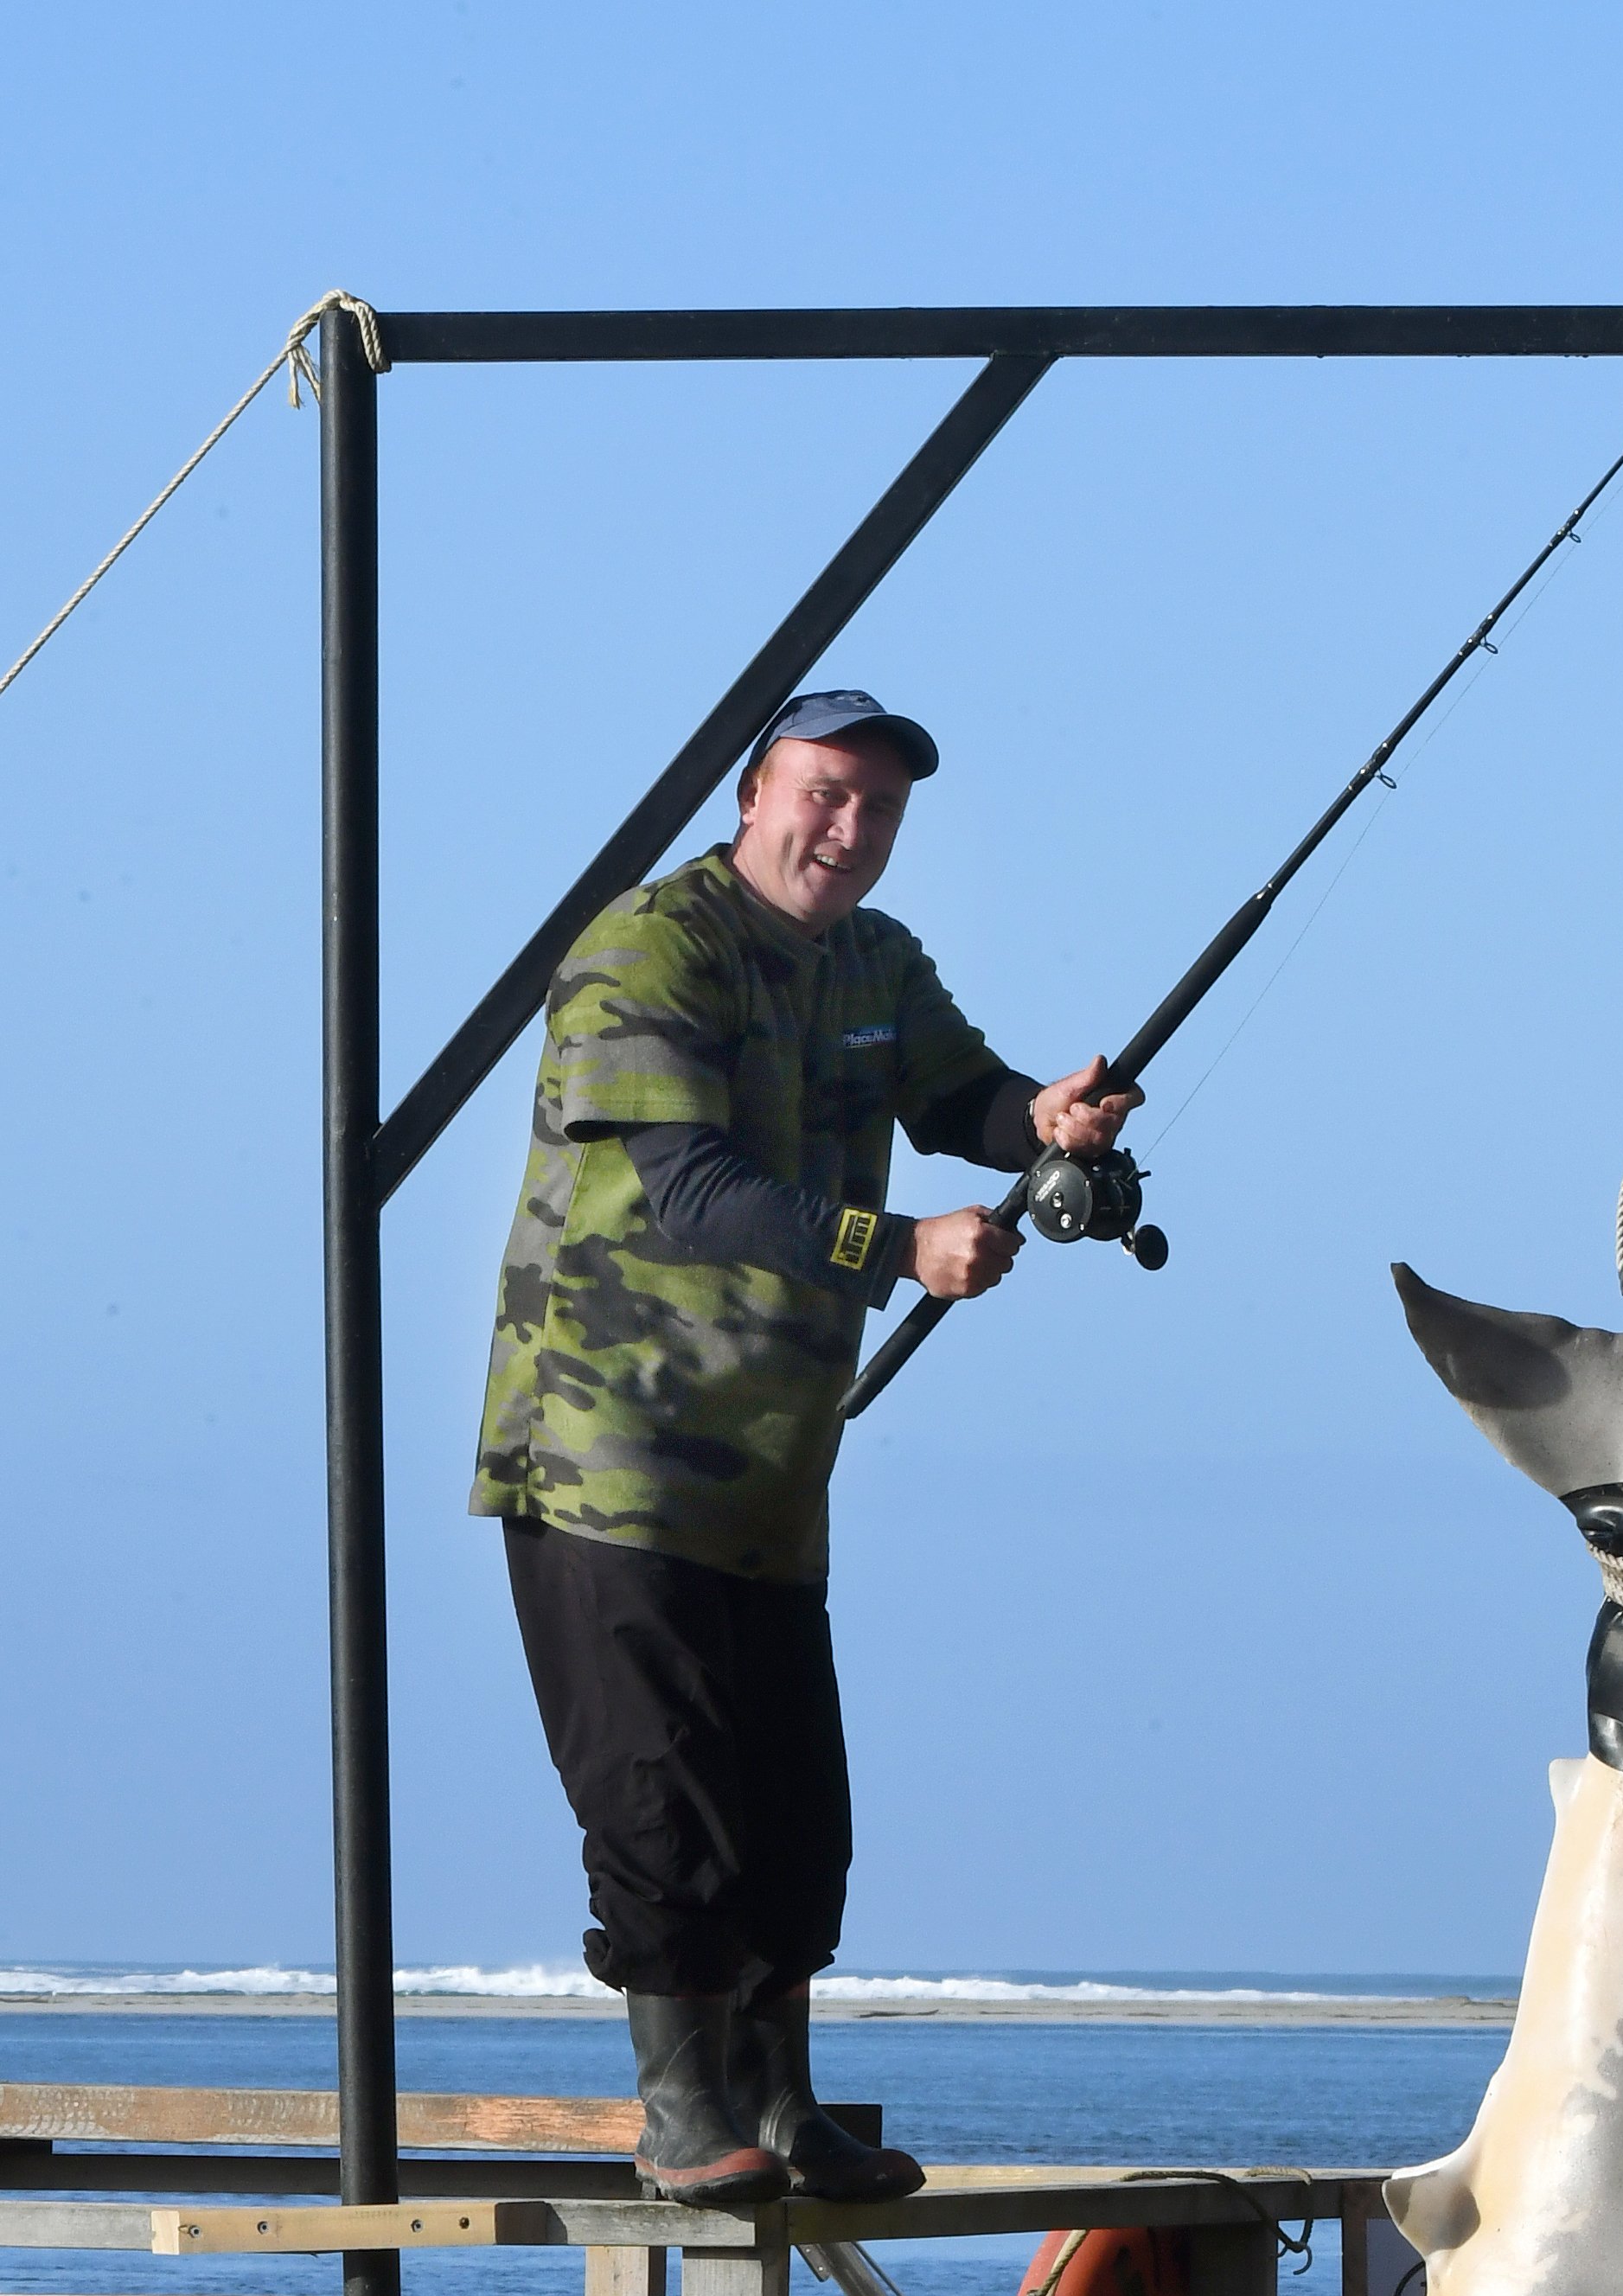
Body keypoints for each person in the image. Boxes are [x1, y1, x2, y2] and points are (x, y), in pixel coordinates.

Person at [470, 687, 1139, 2209]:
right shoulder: (649, 947)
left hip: (773, 1463)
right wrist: (905, 1245)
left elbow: (956, 1091)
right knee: (663, 1792)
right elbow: (692, 1189)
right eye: (825, 793)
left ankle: (781, 2107)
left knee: (795, 1806)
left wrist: (1040, 1119)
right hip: (608, 1449)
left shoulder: (875, 959)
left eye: (881, 808)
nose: (850, 828)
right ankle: (679, 2110)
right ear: (753, 793)